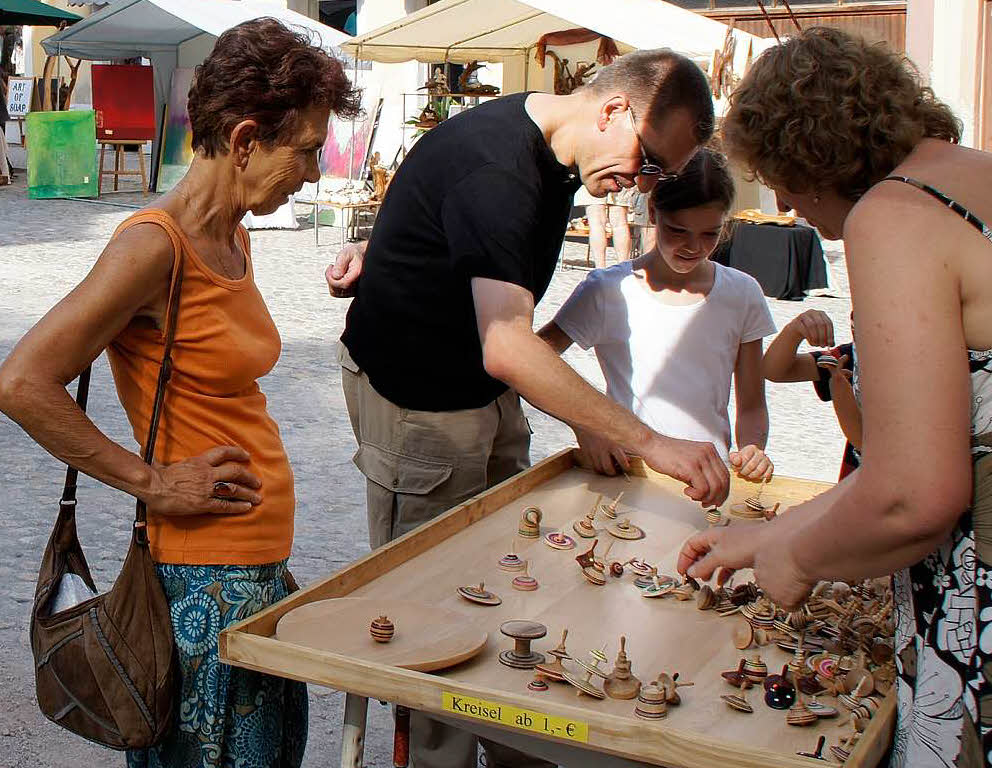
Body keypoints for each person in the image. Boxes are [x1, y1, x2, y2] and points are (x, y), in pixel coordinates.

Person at [327, 49, 726, 768]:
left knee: (502, 579)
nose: (643, 187)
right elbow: (508, 344)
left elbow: (477, 270)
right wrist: (653, 442)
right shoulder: (499, 169)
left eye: (659, 176)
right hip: (417, 400)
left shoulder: (548, 149)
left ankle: (510, 740)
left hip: (478, 387)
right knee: (428, 614)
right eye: (650, 162)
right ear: (612, 111)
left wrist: (579, 414)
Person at [0, 19, 359, 768]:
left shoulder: (233, 233)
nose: (315, 172)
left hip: (251, 572)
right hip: (200, 584)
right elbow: (22, 381)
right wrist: (150, 480)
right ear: (246, 139)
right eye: (305, 149)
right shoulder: (152, 245)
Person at [676, 27, 992, 768]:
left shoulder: (896, 215)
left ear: (809, 156)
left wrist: (797, 559)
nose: (785, 204)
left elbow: (913, 495)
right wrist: (768, 534)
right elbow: (929, 448)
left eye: (778, 176)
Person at [539, 148, 775, 482]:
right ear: (653, 212)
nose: (694, 247)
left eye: (710, 233)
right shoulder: (610, 288)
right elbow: (538, 354)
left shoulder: (743, 292)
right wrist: (585, 424)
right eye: (678, 231)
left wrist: (753, 449)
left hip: (708, 476)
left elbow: (751, 403)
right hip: (629, 473)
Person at [763, 309, 862, 480]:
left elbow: (862, 440)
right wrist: (794, 330)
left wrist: (840, 389)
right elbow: (775, 371)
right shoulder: (852, 357)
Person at [574, 186, 633, 267]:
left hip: (594, 177)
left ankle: (600, 268)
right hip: (620, 177)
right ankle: (623, 268)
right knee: (620, 224)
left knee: (596, 224)